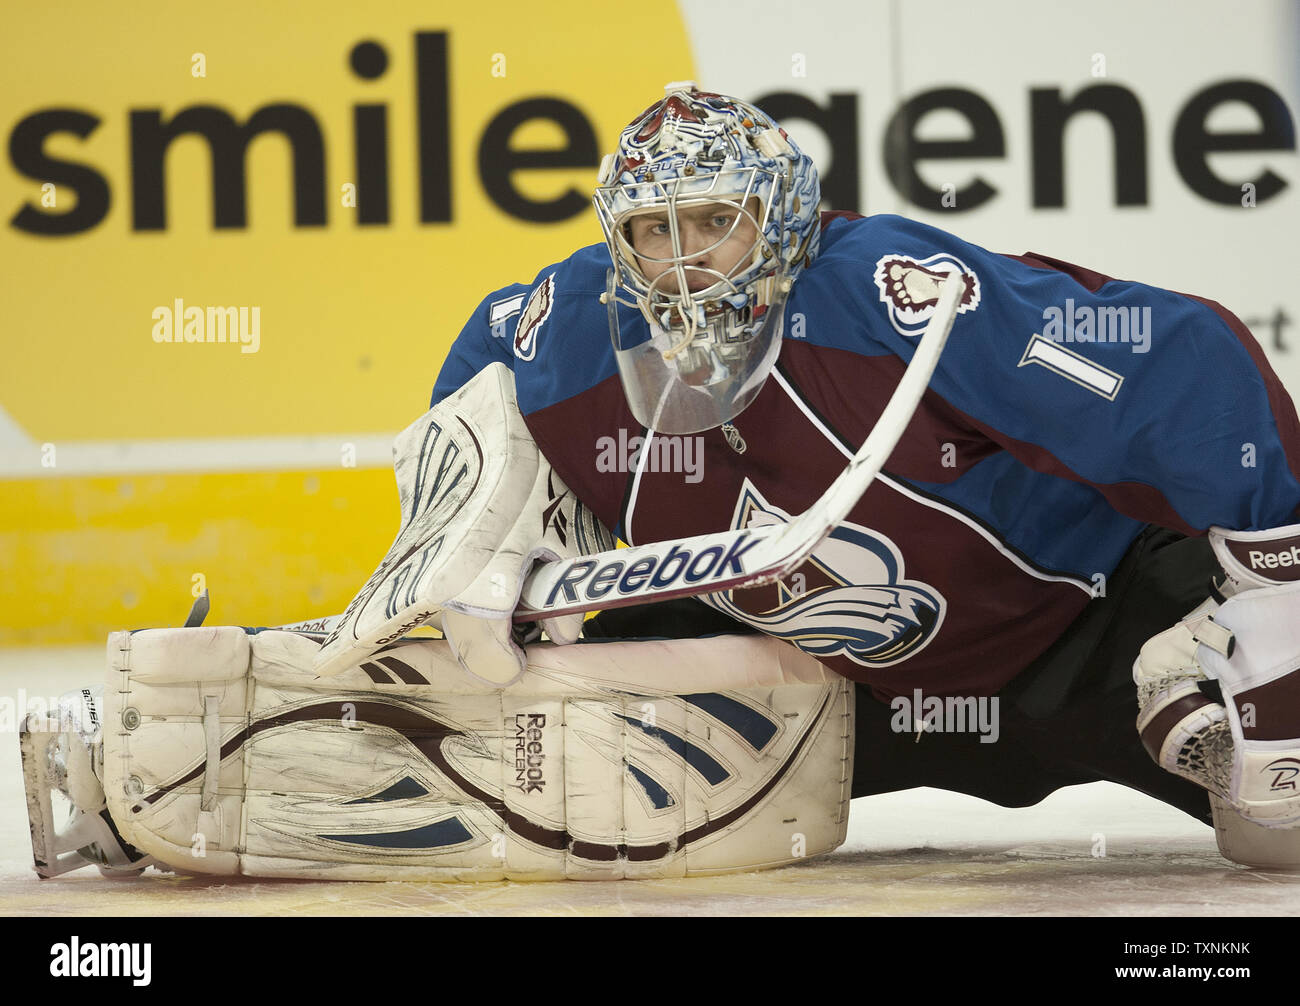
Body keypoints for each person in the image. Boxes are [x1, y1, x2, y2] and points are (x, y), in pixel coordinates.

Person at [427, 82, 1300, 862]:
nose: (686, 260)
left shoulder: (886, 289)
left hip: (1101, 634)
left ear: (784, 218)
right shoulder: (575, 328)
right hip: (838, 694)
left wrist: (1274, 589)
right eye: (656, 229)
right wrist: (476, 537)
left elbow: (1180, 361)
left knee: (1284, 838)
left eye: (716, 220)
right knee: (554, 752)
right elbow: (479, 375)